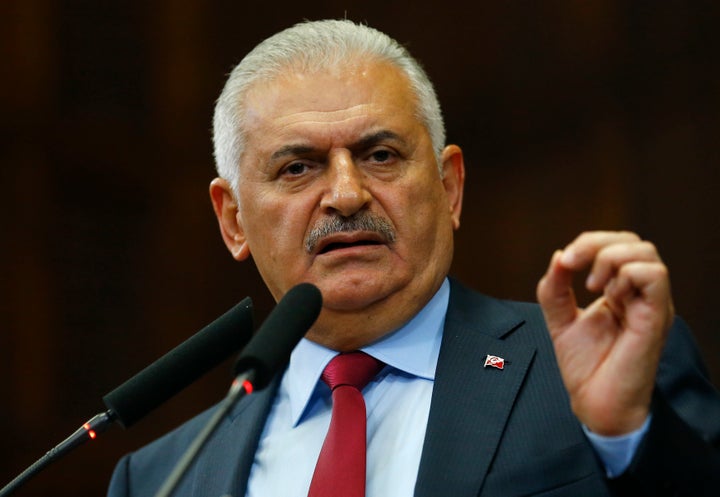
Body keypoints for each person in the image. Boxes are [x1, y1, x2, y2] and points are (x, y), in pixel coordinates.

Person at [107, 19, 720, 497]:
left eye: (380, 155)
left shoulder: (598, 362)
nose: (346, 195)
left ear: (449, 187)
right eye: (298, 168)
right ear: (233, 221)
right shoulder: (160, 479)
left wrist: (629, 441)